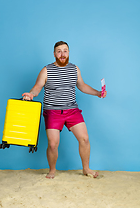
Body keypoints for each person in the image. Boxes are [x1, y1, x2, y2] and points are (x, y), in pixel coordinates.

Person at [22, 41, 107, 179]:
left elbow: (82, 86)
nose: (62, 54)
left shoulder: (75, 69)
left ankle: (86, 169)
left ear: (68, 53)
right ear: (54, 54)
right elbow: (37, 87)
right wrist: (32, 94)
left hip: (72, 110)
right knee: (53, 144)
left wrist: (98, 93)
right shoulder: (46, 70)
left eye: (65, 51)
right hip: (53, 112)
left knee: (84, 139)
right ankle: (52, 170)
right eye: (59, 51)